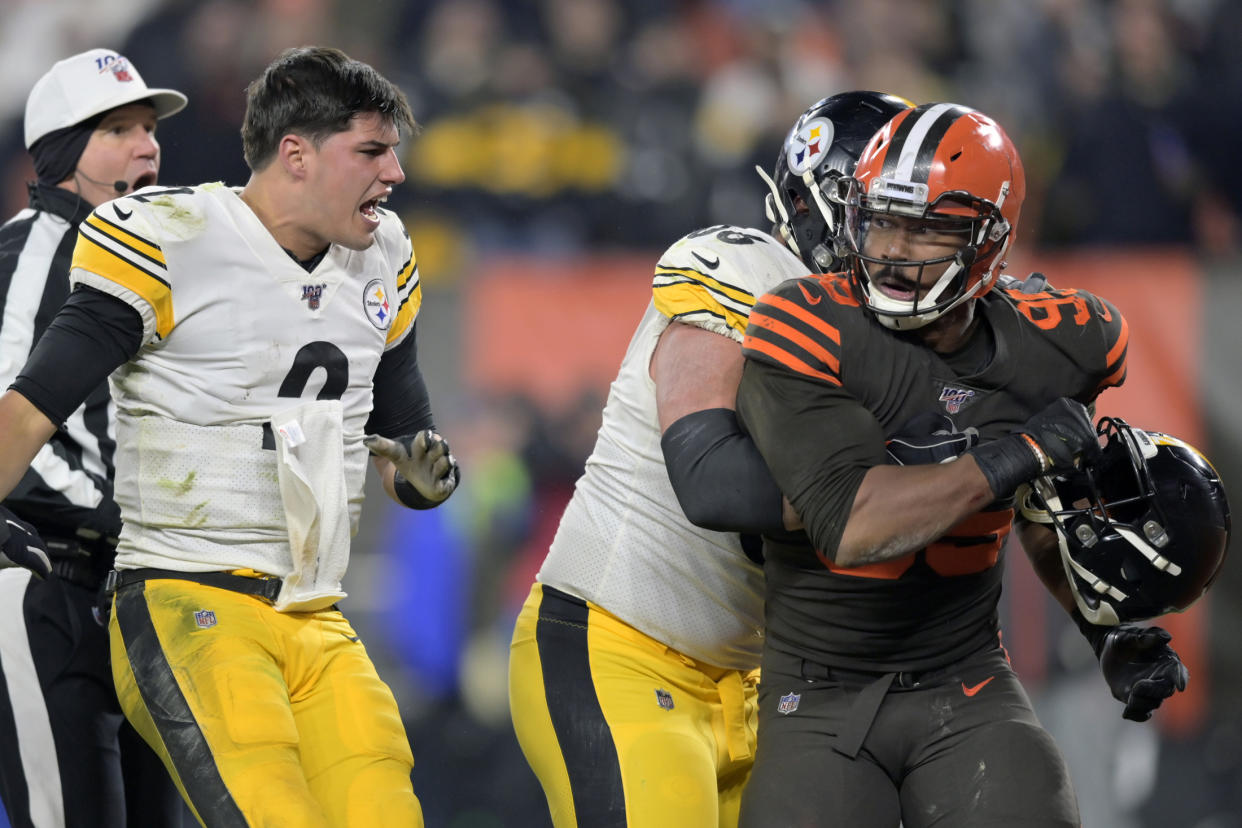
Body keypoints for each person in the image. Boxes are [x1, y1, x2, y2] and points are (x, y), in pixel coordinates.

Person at [0, 46, 459, 827]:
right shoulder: (158, 242)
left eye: (149, 127)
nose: (396, 174)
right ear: (296, 155)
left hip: (310, 607)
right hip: (155, 586)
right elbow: (25, 408)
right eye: (373, 151)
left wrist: (421, 478)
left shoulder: (382, 254)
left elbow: (405, 438)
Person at [732, 102, 1187, 827]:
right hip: (819, 692)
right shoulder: (802, 321)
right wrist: (1016, 453)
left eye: (931, 228)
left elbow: (1045, 510)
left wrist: (1107, 628)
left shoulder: (1067, 343)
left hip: (965, 677)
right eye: (883, 219)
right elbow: (853, 524)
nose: (897, 249)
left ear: (989, 243)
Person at [507, 92, 912, 827]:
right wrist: (880, 494)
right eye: (887, 219)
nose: (905, 247)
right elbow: (711, 480)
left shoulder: (901, 348)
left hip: (756, 689)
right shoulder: (747, 268)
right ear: (825, 204)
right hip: (619, 650)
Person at [0, 48, 189, 828]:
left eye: (149, 128)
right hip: (42, 575)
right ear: (64, 155)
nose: (148, 146)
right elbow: (8, 406)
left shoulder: (151, 261)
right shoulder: (34, 248)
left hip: (135, 595)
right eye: (119, 129)